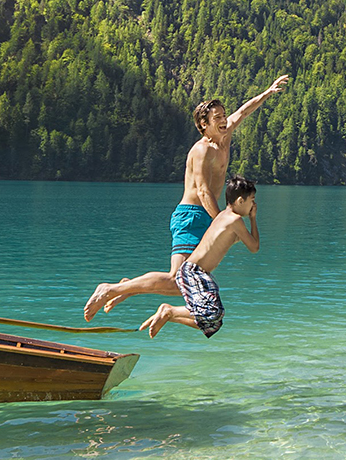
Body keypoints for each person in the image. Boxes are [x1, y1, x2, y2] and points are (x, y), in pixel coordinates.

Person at [84, 74, 289, 320]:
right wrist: (221, 222)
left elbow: (244, 111)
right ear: (204, 124)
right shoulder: (201, 150)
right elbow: (203, 191)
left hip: (207, 217)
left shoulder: (225, 134)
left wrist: (268, 92)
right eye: (218, 118)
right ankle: (112, 289)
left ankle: (128, 287)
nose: (224, 120)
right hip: (191, 216)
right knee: (176, 280)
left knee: (183, 284)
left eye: (224, 115)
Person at [139, 175, 259, 338]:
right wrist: (253, 219)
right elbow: (254, 247)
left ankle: (171, 315)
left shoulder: (223, 216)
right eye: (252, 200)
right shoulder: (235, 220)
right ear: (240, 201)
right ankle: (169, 310)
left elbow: (234, 239)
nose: (254, 204)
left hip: (196, 272)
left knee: (214, 323)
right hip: (194, 272)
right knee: (211, 313)